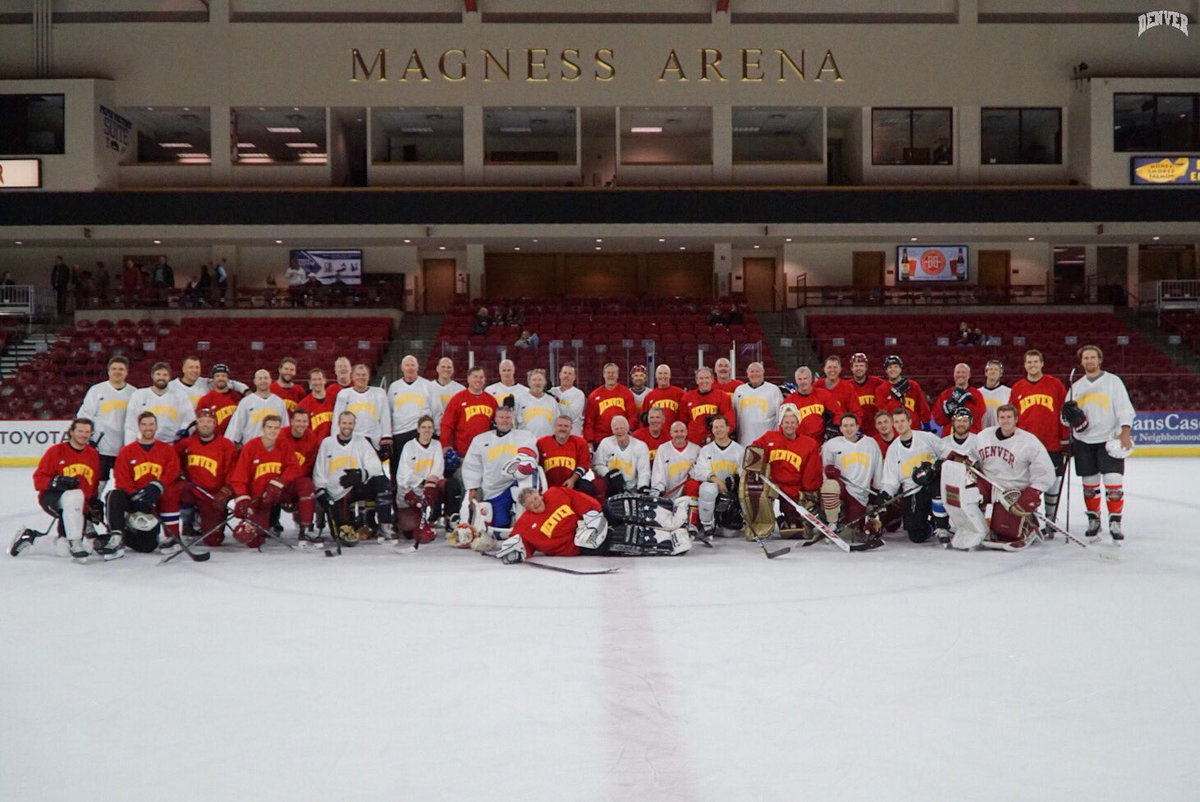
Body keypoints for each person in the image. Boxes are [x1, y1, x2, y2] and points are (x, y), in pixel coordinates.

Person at [947, 404, 1055, 551]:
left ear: (1016, 419)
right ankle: (976, 529)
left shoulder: (1028, 441)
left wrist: (1034, 491)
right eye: (1002, 417)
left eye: (1009, 417)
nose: (1005, 421)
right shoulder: (985, 435)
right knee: (965, 494)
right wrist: (965, 459)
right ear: (997, 419)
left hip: (1012, 490)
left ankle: (1029, 524)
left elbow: (1046, 471)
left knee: (1005, 532)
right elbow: (972, 454)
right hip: (988, 484)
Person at [1064, 345, 1135, 541]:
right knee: (1089, 484)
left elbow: (1124, 408)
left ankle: (1115, 521)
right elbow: (1065, 418)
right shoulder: (1076, 387)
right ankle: (1094, 519)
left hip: (1109, 439)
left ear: (1099, 359)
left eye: (1092, 357)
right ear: (1081, 361)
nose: (1089, 361)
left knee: (1113, 480)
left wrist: (1125, 431)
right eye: (1085, 358)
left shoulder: (1113, 382)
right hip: (1084, 441)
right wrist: (1069, 417)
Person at [229, 415, 316, 546]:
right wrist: (243, 497)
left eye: (276, 428)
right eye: (269, 427)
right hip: (260, 496)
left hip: (279, 491)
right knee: (254, 541)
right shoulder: (251, 447)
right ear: (263, 428)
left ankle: (305, 529)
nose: (273, 431)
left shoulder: (283, 444)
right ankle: (258, 526)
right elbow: (239, 477)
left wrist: (280, 482)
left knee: (305, 484)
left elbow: (294, 467)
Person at [27, 418, 105, 559]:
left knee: (64, 549)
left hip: (78, 507)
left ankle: (32, 539)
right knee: (74, 495)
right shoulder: (56, 451)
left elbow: (92, 484)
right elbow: (38, 480)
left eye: (87, 432)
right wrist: (57, 481)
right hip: (53, 499)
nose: (84, 435)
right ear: (71, 432)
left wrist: (92, 506)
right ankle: (75, 543)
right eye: (80, 431)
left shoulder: (92, 454)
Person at [313, 411, 395, 544]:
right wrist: (321, 490)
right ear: (339, 424)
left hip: (357, 487)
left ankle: (385, 525)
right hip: (336, 493)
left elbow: (375, 466)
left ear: (354, 424)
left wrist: (361, 474)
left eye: (350, 423)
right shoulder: (327, 443)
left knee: (382, 483)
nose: (347, 426)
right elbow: (319, 470)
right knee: (342, 534)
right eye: (344, 423)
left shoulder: (361, 441)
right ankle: (352, 523)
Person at [1010, 349, 1070, 529]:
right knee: (1028, 483)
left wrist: (1065, 438)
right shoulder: (1018, 387)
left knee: (1053, 481)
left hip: (1051, 443)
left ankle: (1051, 518)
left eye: (1036, 361)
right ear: (1024, 365)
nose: (1032, 365)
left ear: (1042, 363)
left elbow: (1064, 413)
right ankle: (1032, 518)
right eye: (1029, 362)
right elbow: (1012, 417)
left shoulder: (1055, 384)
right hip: (1026, 447)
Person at [108, 411, 183, 554]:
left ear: (156, 426)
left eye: (151, 424)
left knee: (147, 547)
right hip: (134, 498)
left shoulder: (167, 449)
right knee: (114, 495)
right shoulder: (126, 451)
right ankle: (116, 536)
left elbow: (173, 471)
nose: (148, 428)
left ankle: (172, 536)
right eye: (144, 424)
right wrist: (134, 494)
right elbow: (121, 478)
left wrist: (158, 486)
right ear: (138, 426)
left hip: (153, 498)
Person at [749, 404, 822, 538]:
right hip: (772, 485)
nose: (789, 425)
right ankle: (760, 523)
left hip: (793, 488)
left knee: (792, 532)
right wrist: (753, 463)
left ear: (798, 423)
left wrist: (807, 491)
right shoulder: (769, 437)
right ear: (781, 423)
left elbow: (811, 471)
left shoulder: (809, 444)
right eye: (786, 422)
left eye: (792, 422)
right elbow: (754, 450)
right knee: (757, 496)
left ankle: (788, 520)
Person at [461, 404, 539, 531]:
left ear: (512, 419)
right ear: (495, 419)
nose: (504, 420)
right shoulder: (480, 440)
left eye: (508, 417)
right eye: (501, 417)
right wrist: (472, 487)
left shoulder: (524, 437)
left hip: (515, 483)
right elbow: (472, 466)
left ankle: (526, 529)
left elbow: (531, 459)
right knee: (500, 525)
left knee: (523, 515)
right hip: (493, 489)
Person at [175, 406, 238, 546]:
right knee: (173, 492)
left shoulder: (226, 445)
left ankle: (202, 517)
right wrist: (177, 470)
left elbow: (233, 471)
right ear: (196, 423)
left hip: (212, 495)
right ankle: (187, 521)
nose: (205, 424)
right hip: (192, 489)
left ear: (215, 424)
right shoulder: (186, 443)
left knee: (213, 540)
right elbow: (172, 458)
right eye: (202, 421)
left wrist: (227, 490)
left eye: (209, 421)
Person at [877, 408, 942, 543]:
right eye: (896, 422)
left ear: (909, 422)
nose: (900, 425)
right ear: (893, 425)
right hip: (913, 490)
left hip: (933, 484)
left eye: (902, 421)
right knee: (916, 536)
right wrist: (885, 494)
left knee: (936, 486)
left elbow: (945, 452)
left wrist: (938, 465)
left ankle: (942, 523)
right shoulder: (893, 449)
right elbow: (891, 479)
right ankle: (932, 524)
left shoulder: (926, 437)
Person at [819, 412, 884, 542]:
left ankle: (846, 522)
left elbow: (878, 469)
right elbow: (825, 471)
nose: (848, 429)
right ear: (840, 428)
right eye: (845, 426)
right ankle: (832, 522)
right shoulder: (831, 445)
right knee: (830, 486)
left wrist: (878, 491)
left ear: (857, 426)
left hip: (860, 493)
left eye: (851, 425)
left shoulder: (870, 444)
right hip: (841, 486)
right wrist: (829, 472)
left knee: (851, 531)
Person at [76, 355, 136, 491]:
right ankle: (93, 509)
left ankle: (124, 510)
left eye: (121, 369)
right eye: (114, 368)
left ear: (127, 372)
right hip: (100, 448)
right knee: (98, 482)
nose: (117, 371)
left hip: (124, 449)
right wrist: (88, 439)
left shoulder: (134, 393)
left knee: (125, 483)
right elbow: (85, 416)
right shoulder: (96, 390)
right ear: (108, 371)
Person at [386, 354, 438, 489]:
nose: (410, 368)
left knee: (421, 466)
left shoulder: (428, 385)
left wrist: (437, 432)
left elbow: (436, 410)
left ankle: (423, 496)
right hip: (400, 434)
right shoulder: (394, 387)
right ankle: (399, 500)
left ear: (418, 367)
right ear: (402, 368)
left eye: (412, 365)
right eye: (407, 365)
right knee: (400, 469)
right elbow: (389, 412)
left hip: (421, 433)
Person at [394, 414, 445, 542]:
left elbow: (438, 467)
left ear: (433, 430)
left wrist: (430, 484)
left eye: (429, 427)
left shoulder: (436, 445)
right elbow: (404, 474)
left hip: (428, 487)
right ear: (418, 429)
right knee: (409, 532)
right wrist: (421, 481)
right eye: (423, 427)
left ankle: (433, 519)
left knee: (445, 485)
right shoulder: (409, 446)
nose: (427, 430)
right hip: (409, 490)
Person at [692, 414, 745, 538]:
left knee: (729, 534)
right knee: (707, 490)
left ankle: (730, 519)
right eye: (716, 427)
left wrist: (734, 483)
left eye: (721, 426)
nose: (718, 429)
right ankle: (707, 525)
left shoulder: (739, 450)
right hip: (713, 488)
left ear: (728, 428)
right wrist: (715, 479)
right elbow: (699, 471)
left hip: (731, 493)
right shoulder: (706, 450)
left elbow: (743, 472)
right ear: (712, 430)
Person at [124, 362, 195, 445]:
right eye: (158, 374)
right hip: (145, 444)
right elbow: (131, 424)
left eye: (165, 375)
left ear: (169, 377)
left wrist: (180, 437)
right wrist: (130, 446)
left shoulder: (180, 396)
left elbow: (189, 420)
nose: (161, 377)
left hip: (171, 445)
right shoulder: (139, 395)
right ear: (152, 376)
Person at [332, 363, 392, 460]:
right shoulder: (344, 394)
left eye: (364, 375)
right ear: (352, 377)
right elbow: (336, 419)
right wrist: (335, 439)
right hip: (351, 439)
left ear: (369, 376)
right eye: (358, 375)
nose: (361, 377)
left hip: (373, 440)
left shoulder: (379, 393)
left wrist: (386, 437)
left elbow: (385, 416)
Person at [439, 366, 498, 457]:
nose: (478, 380)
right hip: (463, 452)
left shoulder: (491, 400)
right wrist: (445, 444)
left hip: (486, 452)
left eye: (481, 377)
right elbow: (447, 424)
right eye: (475, 377)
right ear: (468, 379)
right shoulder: (457, 399)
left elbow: (498, 423)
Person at [225, 369, 290, 447]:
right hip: (251, 448)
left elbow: (285, 427)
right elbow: (236, 426)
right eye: (260, 378)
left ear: (270, 380)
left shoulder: (279, 402)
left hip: (274, 448)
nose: (263, 381)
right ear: (255, 381)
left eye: (265, 378)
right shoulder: (246, 402)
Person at [592, 415, 651, 499]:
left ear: (628, 428)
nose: (619, 431)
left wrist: (642, 487)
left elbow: (644, 471)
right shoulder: (605, 443)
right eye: (616, 429)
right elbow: (597, 465)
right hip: (611, 487)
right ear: (612, 430)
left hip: (633, 490)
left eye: (622, 428)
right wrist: (609, 474)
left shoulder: (640, 446)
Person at [679, 366, 736, 446]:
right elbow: (683, 421)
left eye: (707, 378)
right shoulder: (687, 397)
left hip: (716, 442)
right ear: (696, 380)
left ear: (712, 380)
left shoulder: (722, 396)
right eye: (701, 378)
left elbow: (730, 421)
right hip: (693, 443)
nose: (704, 381)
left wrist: (720, 435)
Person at [585, 361, 638, 445]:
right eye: (608, 373)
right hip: (600, 439)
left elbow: (632, 416)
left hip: (622, 437)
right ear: (603, 375)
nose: (610, 375)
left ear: (617, 375)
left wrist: (628, 433)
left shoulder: (626, 393)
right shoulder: (594, 396)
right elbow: (589, 421)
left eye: (613, 373)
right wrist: (589, 440)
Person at [537, 415, 593, 494]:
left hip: (572, 483)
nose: (562, 428)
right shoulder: (541, 442)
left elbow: (583, 465)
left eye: (566, 426)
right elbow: (537, 466)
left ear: (571, 429)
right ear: (554, 427)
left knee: (587, 487)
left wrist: (572, 480)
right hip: (547, 485)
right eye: (560, 425)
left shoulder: (580, 443)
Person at [782, 366, 840, 442]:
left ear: (811, 379)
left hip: (822, 443)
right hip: (800, 443)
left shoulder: (824, 395)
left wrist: (834, 430)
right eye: (800, 379)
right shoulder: (789, 401)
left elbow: (837, 413)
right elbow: (783, 425)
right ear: (796, 380)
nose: (803, 382)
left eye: (805, 378)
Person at [732, 361, 782, 447]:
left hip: (767, 442)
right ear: (747, 374)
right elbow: (734, 416)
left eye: (757, 371)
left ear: (763, 372)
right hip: (743, 441)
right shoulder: (739, 390)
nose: (754, 374)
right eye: (751, 371)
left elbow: (780, 418)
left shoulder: (774, 390)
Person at [874, 355, 931, 430]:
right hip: (893, 431)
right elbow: (883, 413)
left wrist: (926, 424)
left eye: (896, 367)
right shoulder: (880, 390)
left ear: (900, 369)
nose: (893, 369)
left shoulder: (913, 385)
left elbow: (923, 406)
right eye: (890, 367)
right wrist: (895, 397)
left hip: (914, 428)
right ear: (886, 370)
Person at [170, 355, 248, 409]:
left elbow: (228, 382)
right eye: (191, 367)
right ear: (183, 369)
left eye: (197, 367)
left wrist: (246, 391)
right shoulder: (171, 386)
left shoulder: (205, 382)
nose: (194, 370)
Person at [651, 421, 701, 503]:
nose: (679, 434)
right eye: (676, 431)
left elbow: (698, 474)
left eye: (682, 431)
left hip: (687, 495)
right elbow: (658, 472)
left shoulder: (696, 450)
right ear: (671, 433)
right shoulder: (663, 449)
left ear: (686, 432)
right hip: (668, 496)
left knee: (693, 484)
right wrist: (658, 491)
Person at [931, 363, 986, 436]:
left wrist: (962, 406)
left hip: (971, 437)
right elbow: (938, 420)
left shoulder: (976, 394)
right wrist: (951, 408)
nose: (960, 375)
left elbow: (979, 415)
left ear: (969, 375)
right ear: (954, 375)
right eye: (958, 372)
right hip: (949, 438)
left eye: (963, 372)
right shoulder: (945, 395)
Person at [194, 363, 244, 437]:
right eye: (217, 376)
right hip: (216, 440)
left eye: (223, 376)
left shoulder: (238, 396)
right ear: (213, 379)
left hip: (237, 439)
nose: (220, 378)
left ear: (228, 378)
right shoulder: (205, 400)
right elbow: (199, 424)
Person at [514, 368, 559, 440]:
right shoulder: (520, 400)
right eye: (534, 380)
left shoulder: (552, 401)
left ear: (545, 382)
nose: (537, 383)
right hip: (526, 442)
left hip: (547, 442)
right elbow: (514, 423)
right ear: (529, 382)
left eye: (540, 380)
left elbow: (557, 423)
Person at [819, 356, 863, 426]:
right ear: (824, 369)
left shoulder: (848, 387)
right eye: (829, 367)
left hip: (842, 429)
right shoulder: (817, 386)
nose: (832, 370)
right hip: (820, 430)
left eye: (835, 367)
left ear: (840, 369)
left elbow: (856, 412)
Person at [848, 353, 885, 436]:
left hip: (876, 430)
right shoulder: (847, 386)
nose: (859, 368)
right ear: (851, 368)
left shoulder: (877, 382)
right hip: (856, 431)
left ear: (866, 367)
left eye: (861, 365)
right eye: (856, 366)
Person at [297, 367, 337, 441]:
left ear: (325, 381)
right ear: (310, 382)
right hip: (315, 446)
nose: (317, 382)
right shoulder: (303, 405)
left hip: (334, 444)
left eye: (320, 379)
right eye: (314, 380)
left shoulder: (335, 399)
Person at [548, 362, 585, 436]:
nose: (567, 376)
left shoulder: (578, 394)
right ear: (560, 375)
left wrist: (556, 403)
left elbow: (570, 416)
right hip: (554, 435)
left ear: (574, 377)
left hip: (572, 435)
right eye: (565, 373)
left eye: (570, 374)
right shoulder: (552, 391)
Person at [431, 357, 465, 430]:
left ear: (453, 370)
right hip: (432, 433)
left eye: (449, 367)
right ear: (437, 368)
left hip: (454, 432)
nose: (446, 369)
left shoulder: (461, 390)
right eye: (443, 367)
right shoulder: (428, 388)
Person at [978, 358, 1010, 429]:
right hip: (981, 434)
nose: (993, 371)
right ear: (986, 372)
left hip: (1001, 433)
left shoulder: (1008, 392)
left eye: (996, 369)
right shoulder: (978, 393)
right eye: (991, 369)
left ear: (1001, 374)